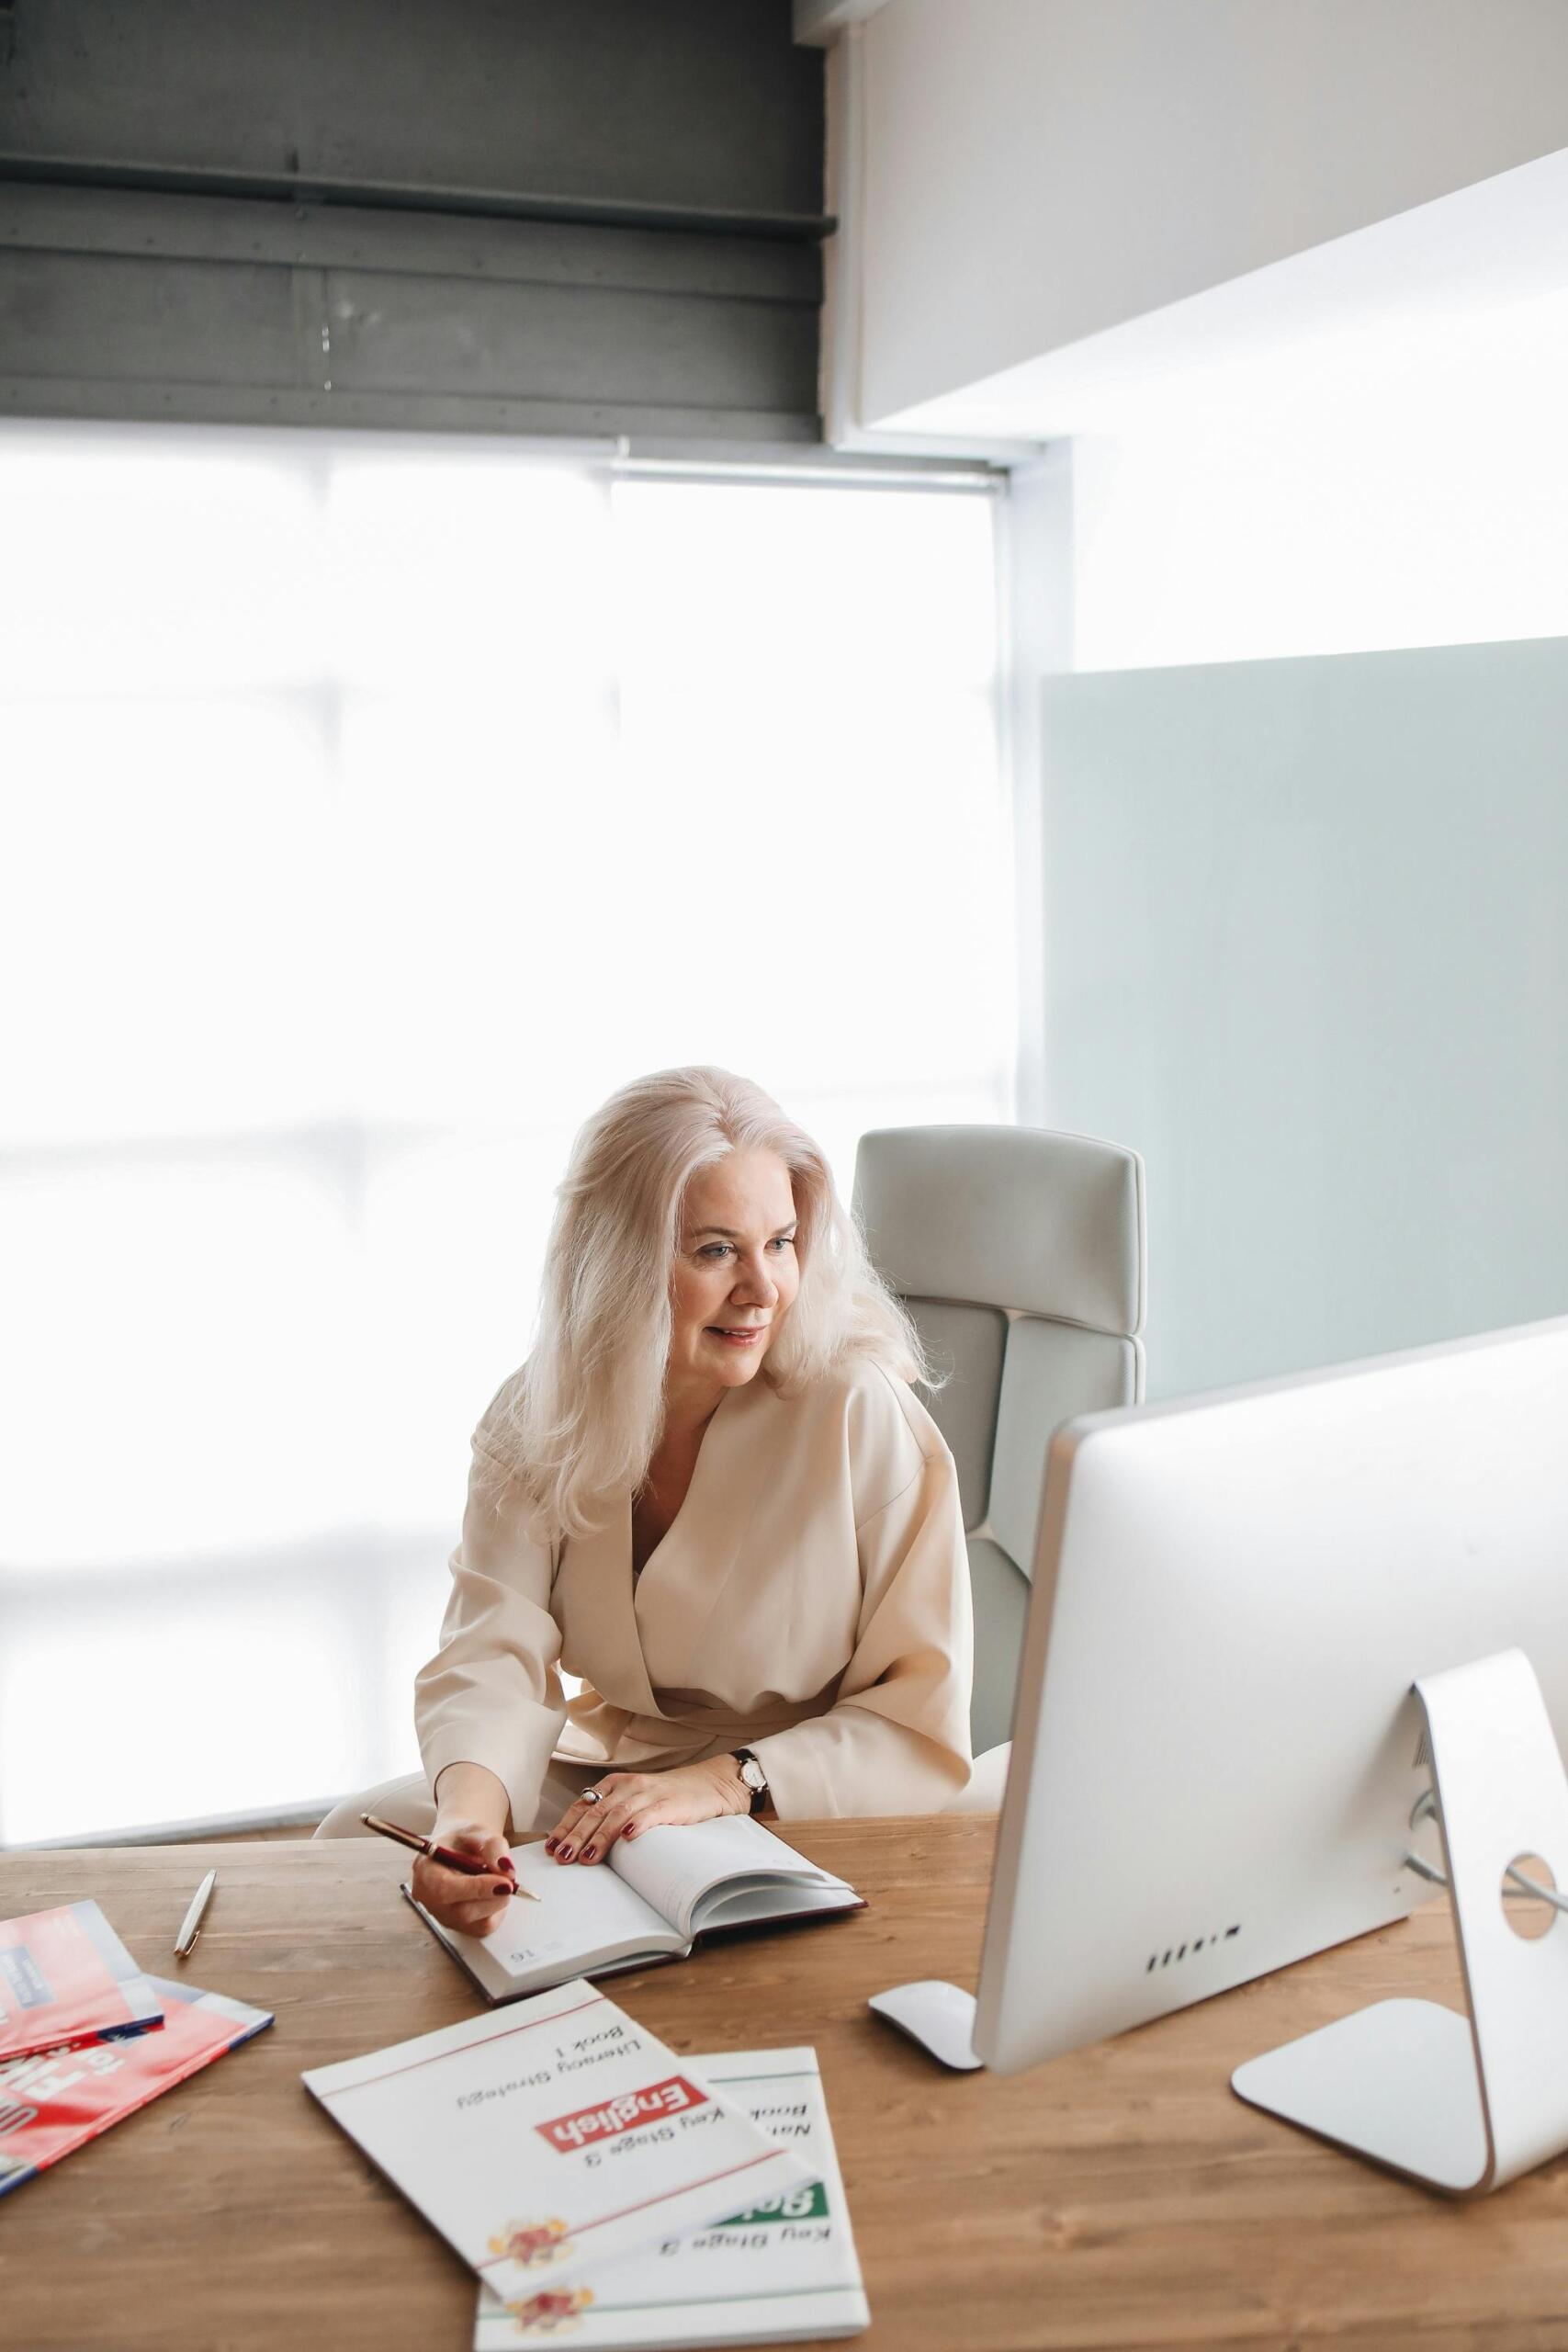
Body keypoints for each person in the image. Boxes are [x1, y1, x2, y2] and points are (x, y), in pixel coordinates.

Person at [316, 1066, 974, 1935]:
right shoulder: (536, 1414)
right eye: (714, 1250)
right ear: (621, 1258)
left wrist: (726, 1782)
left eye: (779, 1242)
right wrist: (469, 1823)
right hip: (619, 1780)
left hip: (807, 1789)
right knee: (351, 1844)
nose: (763, 1288)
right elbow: (492, 1646)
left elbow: (916, 1713)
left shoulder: (855, 1406)